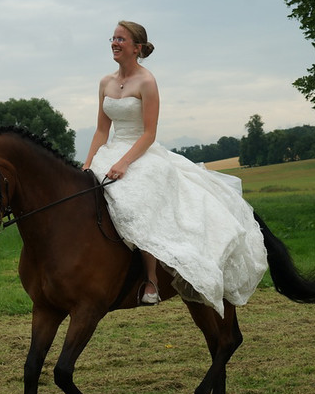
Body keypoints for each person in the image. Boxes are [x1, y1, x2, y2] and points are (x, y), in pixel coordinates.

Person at [82, 21, 268, 316]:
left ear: (137, 47)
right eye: (113, 38)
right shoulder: (105, 82)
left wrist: (124, 163)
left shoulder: (147, 82)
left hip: (140, 153)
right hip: (110, 150)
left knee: (137, 198)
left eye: (121, 39)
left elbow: (148, 134)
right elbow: (102, 131)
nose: (114, 43)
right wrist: (88, 162)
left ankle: (151, 280)